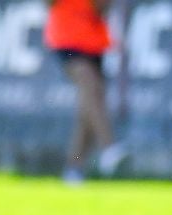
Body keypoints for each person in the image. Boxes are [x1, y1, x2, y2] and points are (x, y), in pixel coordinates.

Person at [45, 0, 119, 184]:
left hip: (92, 41)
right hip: (66, 38)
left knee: (90, 105)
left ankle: (74, 168)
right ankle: (108, 145)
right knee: (88, 82)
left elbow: (103, 8)